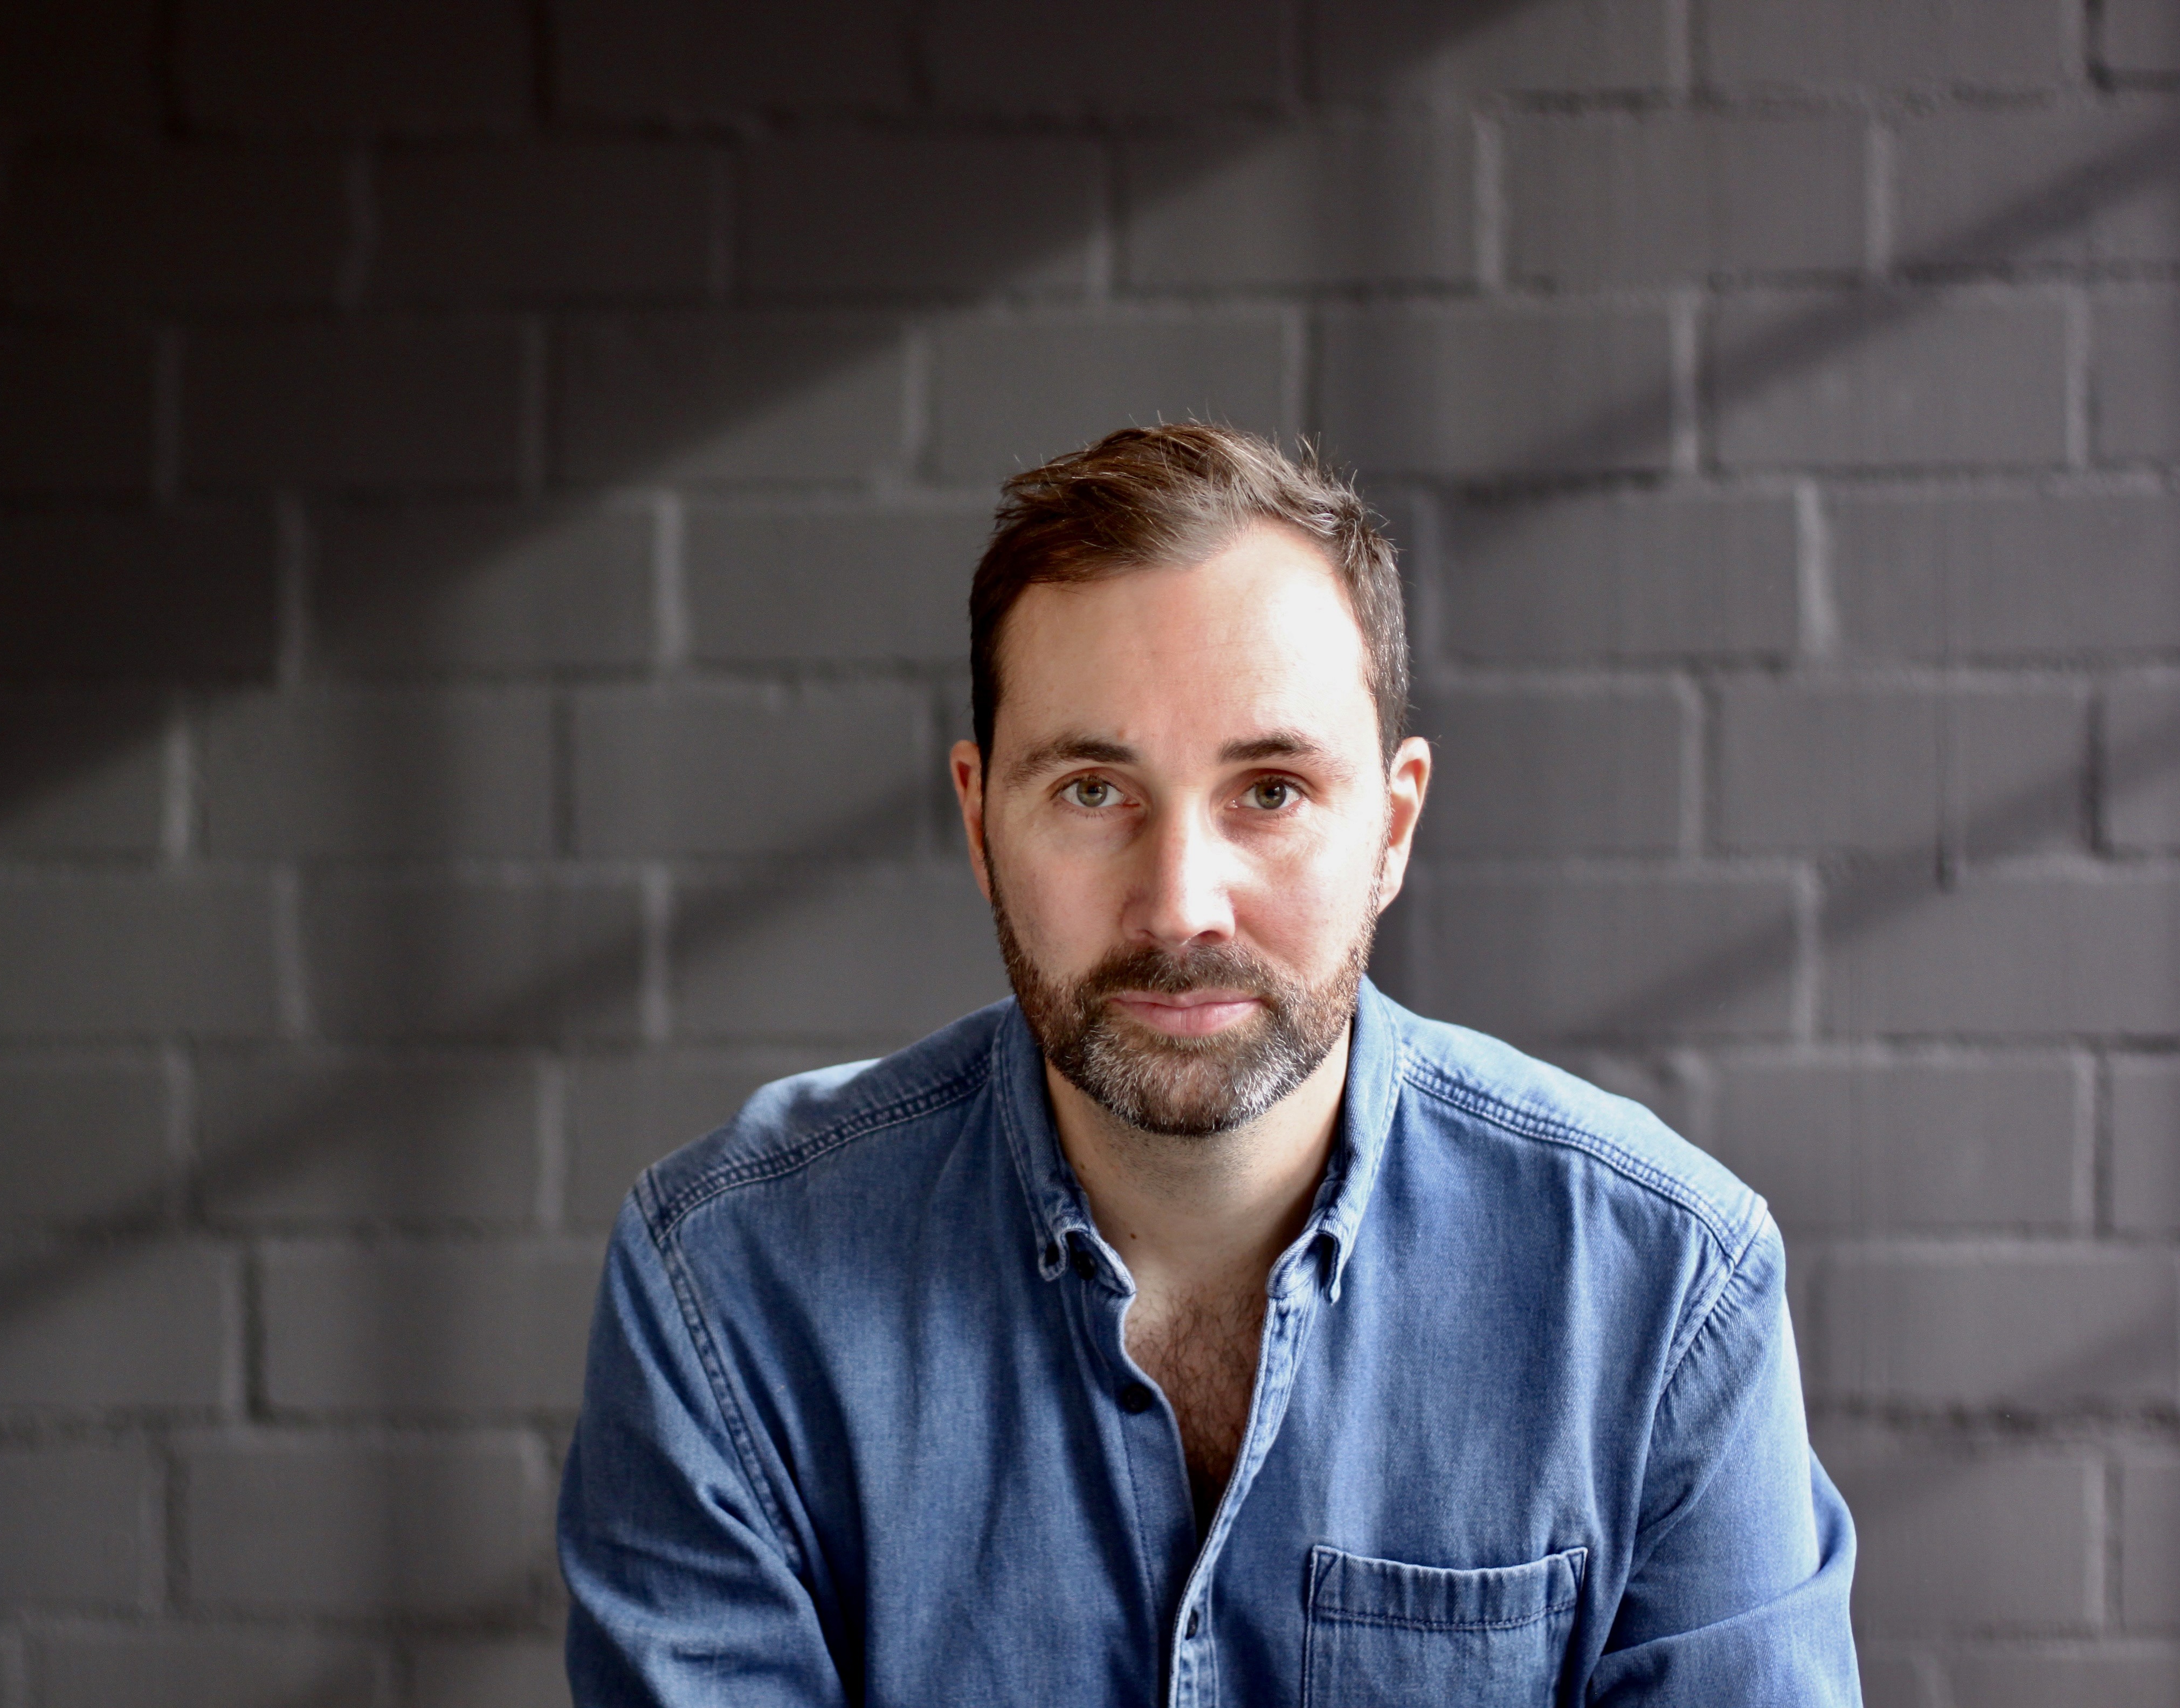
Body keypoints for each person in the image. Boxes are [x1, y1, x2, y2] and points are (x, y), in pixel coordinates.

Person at [558, 424, 1859, 1705]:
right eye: (1092, 790)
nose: (1181, 907)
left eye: (1272, 791)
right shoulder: (729, 1286)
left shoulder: (1667, 1292)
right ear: (979, 821)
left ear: (1392, 827)